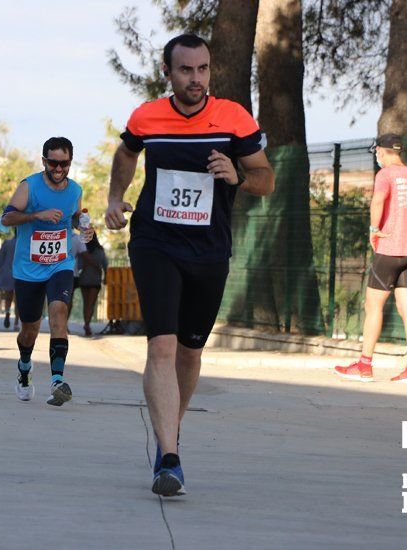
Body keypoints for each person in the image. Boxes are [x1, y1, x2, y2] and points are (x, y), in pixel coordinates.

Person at [105, 34, 274, 496]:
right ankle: (171, 457)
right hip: (155, 241)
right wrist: (116, 199)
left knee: (190, 352)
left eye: (202, 69)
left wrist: (238, 176)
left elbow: (266, 178)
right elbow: (126, 152)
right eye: (186, 70)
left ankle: (169, 435)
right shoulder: (147, 116)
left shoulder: (234, 119)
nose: (196, 79)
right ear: (169, 74)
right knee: (161, 346)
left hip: (209, 249)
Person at [2, 136, 93, 406]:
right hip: (28, 269)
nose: (58, 169)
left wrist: (84, 225)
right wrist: (35, 216)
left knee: (59, 314)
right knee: (30, 328)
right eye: (53, 163)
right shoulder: (28, 186)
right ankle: (25, 368)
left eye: (64, 163)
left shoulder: (75, 190)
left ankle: (56, 380)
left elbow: (75, 218)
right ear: (44, 161)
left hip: (60, 263)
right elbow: (7, 218)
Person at [335, 134, 407, 384]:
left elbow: (378, 200)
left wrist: (374, 229)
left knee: (373, 306)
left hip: (390, 248)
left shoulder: (385, 175)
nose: (377, 155)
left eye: (377, 151)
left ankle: (364, 366)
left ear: (382, 151)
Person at [77, 230, 109, 337]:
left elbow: (79, 266)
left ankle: (86, 323)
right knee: (91, 303)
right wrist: (106, 277)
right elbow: (105, 265)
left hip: (84, 279)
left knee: (86, 303)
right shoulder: (100, 251)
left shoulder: (83, 251)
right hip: (95, 280)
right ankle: (87, 324)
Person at [0, 234, 18, 330]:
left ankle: (7, 312)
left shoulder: (7, 243)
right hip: (21, 273)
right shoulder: (25, 243)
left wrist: (2, 269)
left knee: (8, 297)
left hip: (8, 273)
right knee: (19, 300)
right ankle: (16, 322)